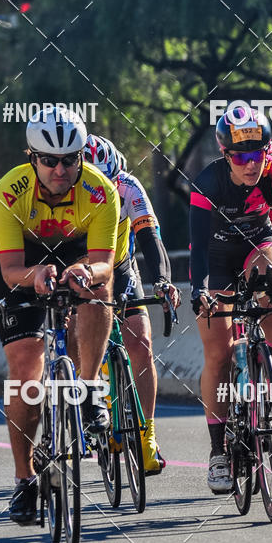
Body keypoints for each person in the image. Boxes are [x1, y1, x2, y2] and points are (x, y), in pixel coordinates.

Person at [0, 110, 122, 525]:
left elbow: (105, 264)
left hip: (75, 254)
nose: (60, 169)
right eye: (49, 160)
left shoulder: (101, 192)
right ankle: (25, 481)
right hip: (23, 265)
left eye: (70, 159)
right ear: (32, 157)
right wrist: (37, 275)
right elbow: (10, 271)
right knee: (26, 376)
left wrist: (85, 272)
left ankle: (89, 384)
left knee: (97, 290)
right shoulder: (7, 193)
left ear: (82, 156)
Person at [189, 106, 272, 493]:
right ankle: (218, 452)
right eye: (241, 157)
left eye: (259, 154)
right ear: (224, 153)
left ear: (269, 150)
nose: (251, 165)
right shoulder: (207, 182)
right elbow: (197, 246)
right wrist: (200, 290)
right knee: (217, 354)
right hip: (215, 258)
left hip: (258, 247)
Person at [84, 134, 181, 475]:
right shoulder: (66, 192)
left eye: (110, 184)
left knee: (140, 342)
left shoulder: (128, 186)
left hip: (120, 265)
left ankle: (147, 435)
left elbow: (150, 237)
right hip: (78, 268)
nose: (106, 194)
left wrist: (163, 281)